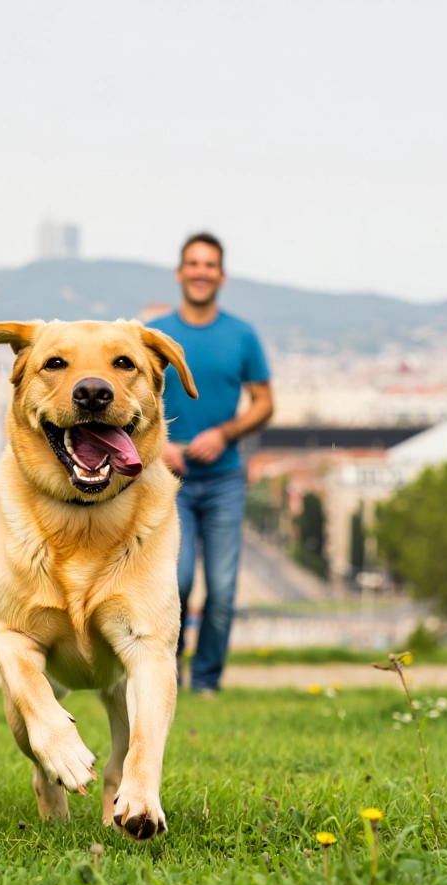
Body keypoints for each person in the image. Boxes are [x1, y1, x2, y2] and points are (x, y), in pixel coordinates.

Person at [150, 233, 274, 695]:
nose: (201, 272)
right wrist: (159, 444)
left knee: (222, 592)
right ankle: (168, 677)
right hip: (168, 480)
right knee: (175, 585)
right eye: (193, 263)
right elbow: (135, 400)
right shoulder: (157, 335)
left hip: (224, 480)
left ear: (220, 276)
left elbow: (264, 402)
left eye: (210, 265)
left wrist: (224, 433)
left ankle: (207, 682)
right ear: (180, 272)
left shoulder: (242, 335)